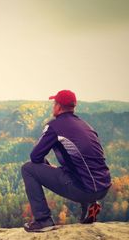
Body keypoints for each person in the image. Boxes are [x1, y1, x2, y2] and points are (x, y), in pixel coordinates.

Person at [21, 90, 111, 232]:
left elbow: (35, 157)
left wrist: (47, 167)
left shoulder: (55, 126)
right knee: (75, 170)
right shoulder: (85, 125)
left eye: (54, 103)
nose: (53, 107)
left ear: (58, 106)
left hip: (84, 190)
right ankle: (90, 206)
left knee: (28, 168)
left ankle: (43, 220)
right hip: (103, 187)